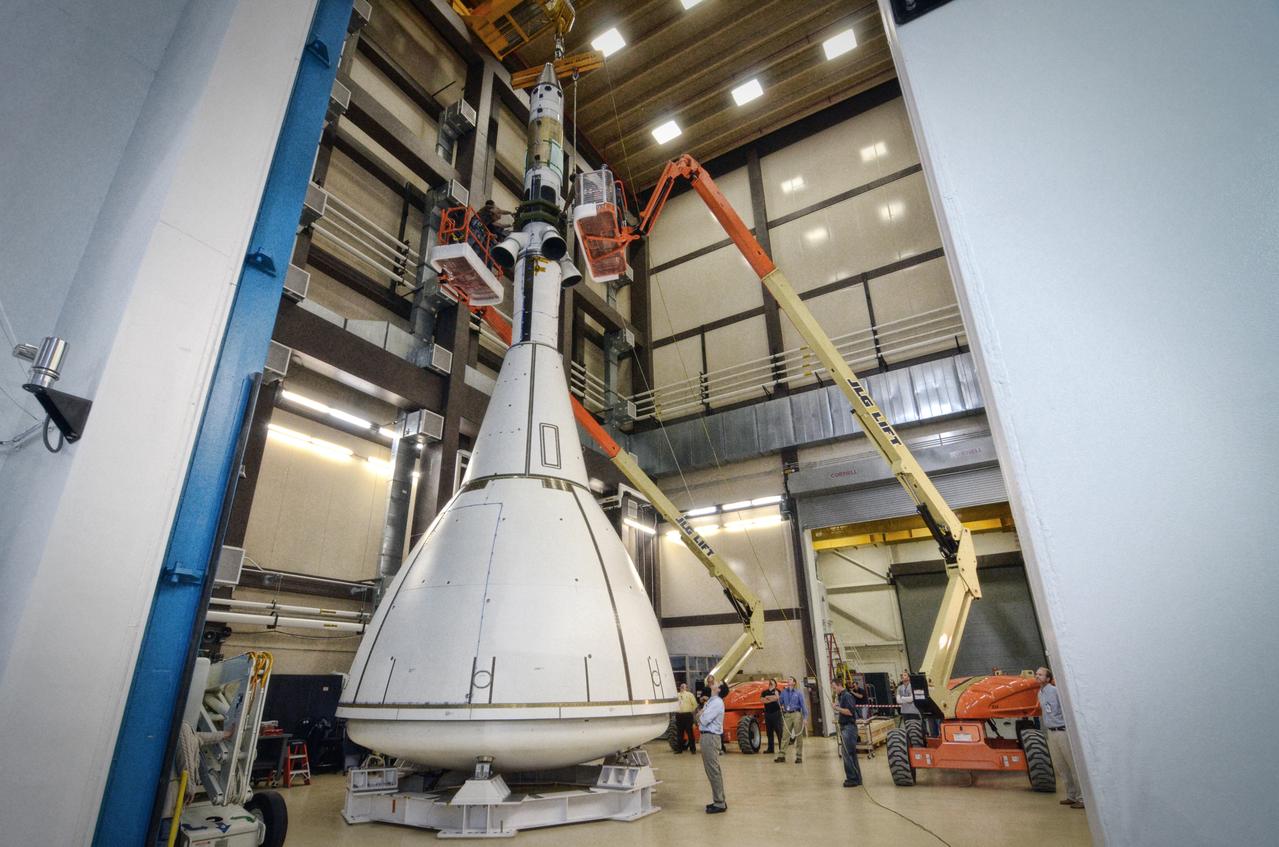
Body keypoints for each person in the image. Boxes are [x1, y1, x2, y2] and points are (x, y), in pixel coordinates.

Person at [1037, 667, 1084, 810]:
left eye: (1040, 674)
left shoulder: (1056, 691)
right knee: (1061, 766)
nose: (1037, 676)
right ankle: (1071, 796)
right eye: (1036, 674)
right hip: (1051, 733)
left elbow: (1066, 710)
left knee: (1072, 764)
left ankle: (1082, 798)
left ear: (1048, 678)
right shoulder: (1040, 693)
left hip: (1062, 731)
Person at [697, 674, 727, 813]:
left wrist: (701, 714)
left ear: (719, 689)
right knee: (712, 770)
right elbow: (700, 716)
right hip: (706, 736)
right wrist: (701, 714)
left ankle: (719, 803)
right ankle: (719, 800)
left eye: (716, 683)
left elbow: (703, 719)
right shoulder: (711, 701)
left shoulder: (717, 703)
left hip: (710, 737)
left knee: (713, 770)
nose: (712, 683)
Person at [833, 679, 863, 787]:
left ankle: (852, 779)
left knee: (847, 754)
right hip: (845, 727)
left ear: (839, 685)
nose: (834, 690)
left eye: (834, 687)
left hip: (849, 728)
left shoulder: (847, 696)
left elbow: (849, 712)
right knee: (851, 753)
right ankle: (857, 778)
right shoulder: (841, 696)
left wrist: (837, 708)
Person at [775, 676, 807, 764]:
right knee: (785, 735)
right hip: (787, 714)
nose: (788, 680)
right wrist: (778, 698)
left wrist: (805, 718)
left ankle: (799, 757)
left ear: (794, 682)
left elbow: (803, 706)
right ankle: (781, 756)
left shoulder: (798, 693)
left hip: (796, 714)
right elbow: (780, 703)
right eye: (788, 679)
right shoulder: (783, 692)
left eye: (790, 679)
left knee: (798, 735)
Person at [761, 679, 782, 754]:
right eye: (770, 681)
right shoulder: (764, 692)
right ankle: (770, 749)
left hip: (776, 713)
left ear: (775, 684)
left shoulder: (777, 691)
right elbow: (763, 700)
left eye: (772, 681)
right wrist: (772, 698)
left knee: (779, 731)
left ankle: (781, 748)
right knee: (769, 732)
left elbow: (777, 698)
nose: (770, 682)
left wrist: (768, 697)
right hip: (767, 714)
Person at [674, 682, 697, 754]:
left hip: (687, 715)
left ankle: (693, 749)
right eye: (681, 686)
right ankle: (679, 749)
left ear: (686, 688)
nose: (682, 687)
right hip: (679, 715)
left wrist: (690, 711)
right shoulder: (676, 695)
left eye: (683, 686)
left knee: (690, 733)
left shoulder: (690, 695)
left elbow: (695, 704)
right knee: (679, 733)